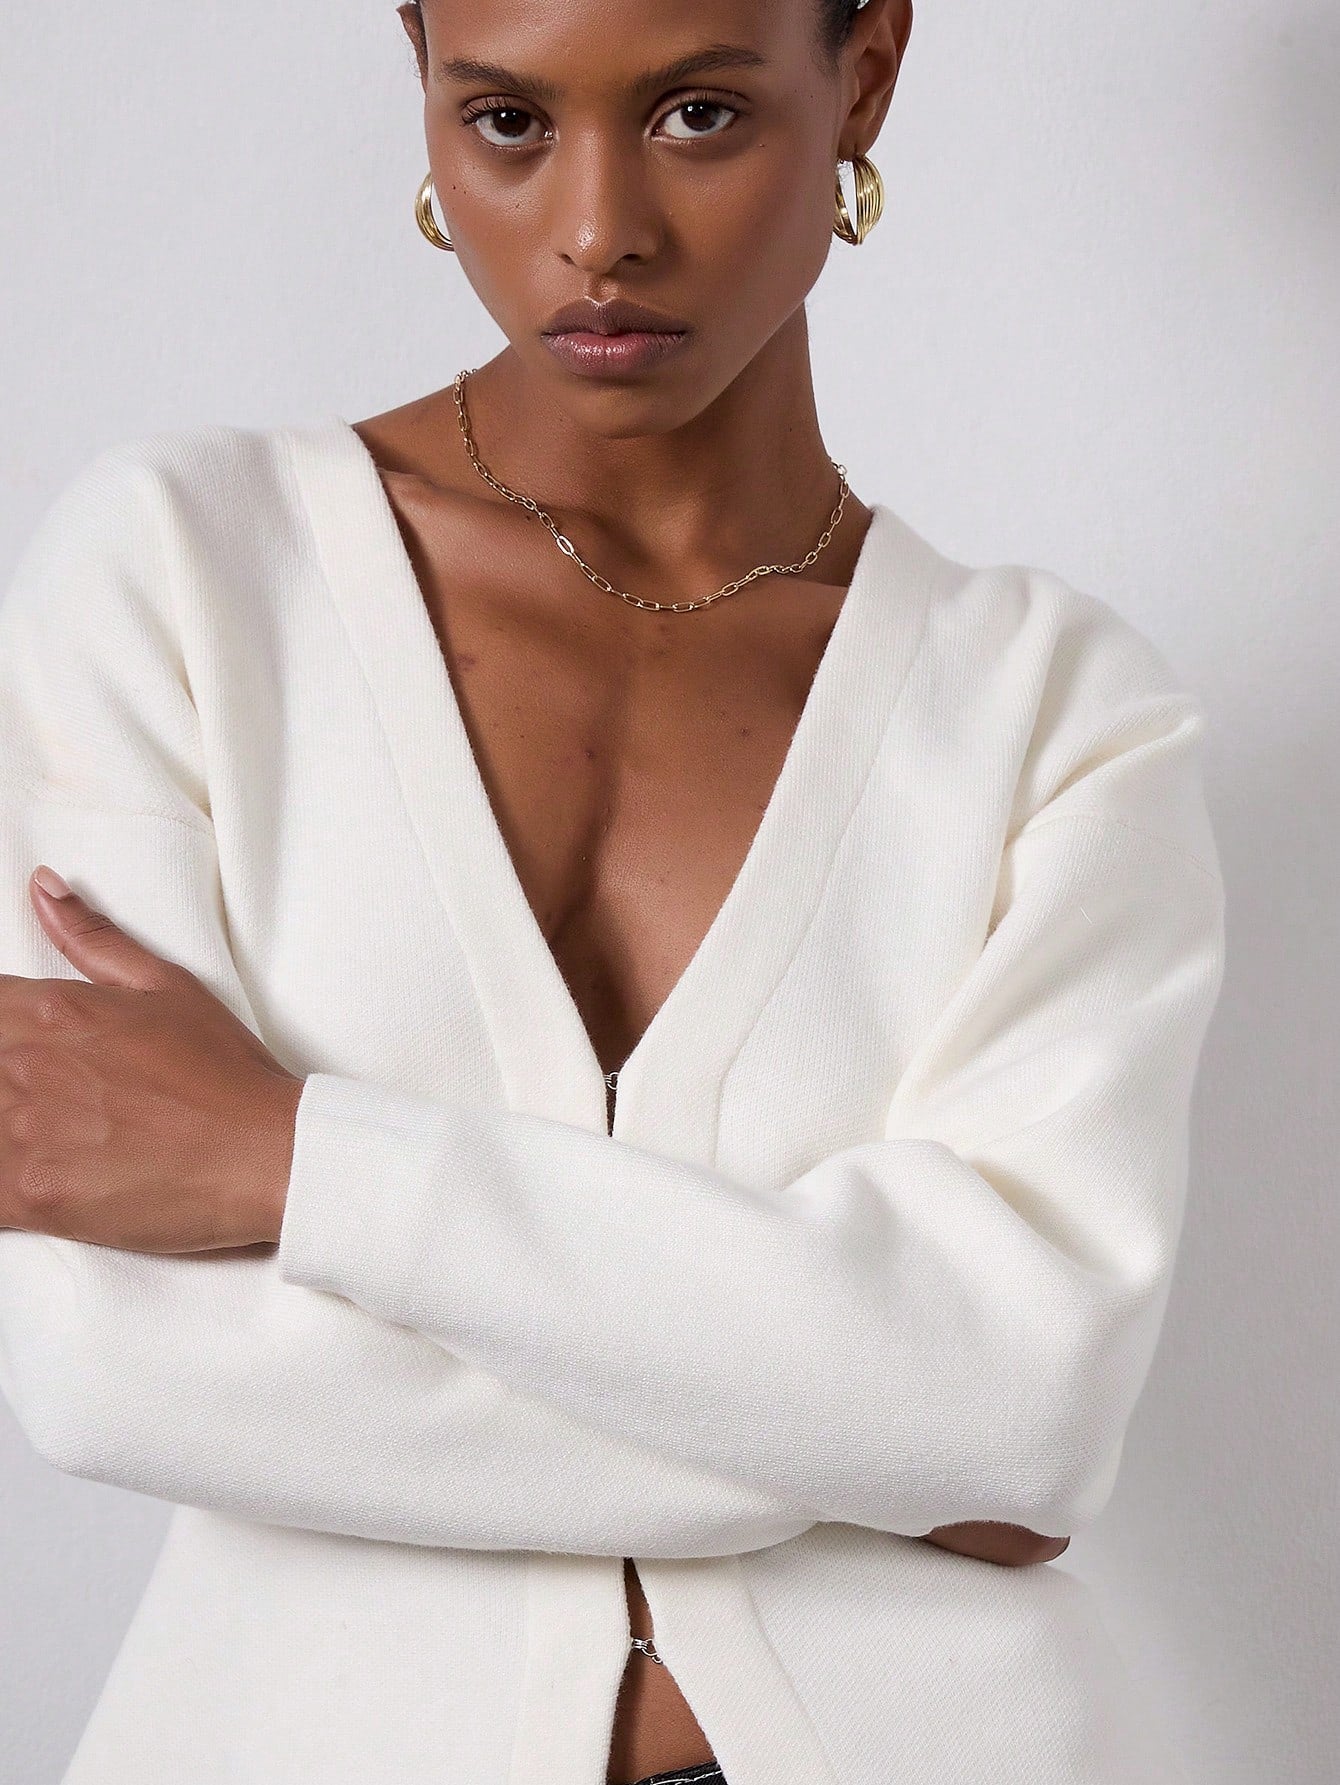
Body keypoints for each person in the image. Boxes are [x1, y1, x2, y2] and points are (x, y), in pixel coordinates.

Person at [0, 1, 1226, 1782]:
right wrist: (882, 1435)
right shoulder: (186, 575)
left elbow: (1024, 1405)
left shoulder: (1055, 711)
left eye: (698, 115)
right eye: (507, 121)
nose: (597, 231)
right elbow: (111, 1363)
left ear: (866, 75)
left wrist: (291, 1162)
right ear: (423, 83)